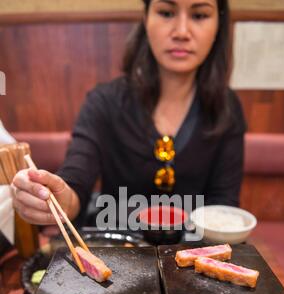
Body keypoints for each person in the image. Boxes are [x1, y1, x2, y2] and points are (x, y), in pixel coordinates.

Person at [12, 0, 246, 228]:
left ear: (218, 25)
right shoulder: (104, 102)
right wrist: (58, 200)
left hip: (193, 253)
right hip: (116, 251)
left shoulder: (227, 108)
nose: (182, 32)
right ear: (146, 18)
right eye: (166, 13)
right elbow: (76, 183)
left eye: (199, 15)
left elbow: (223, 205)